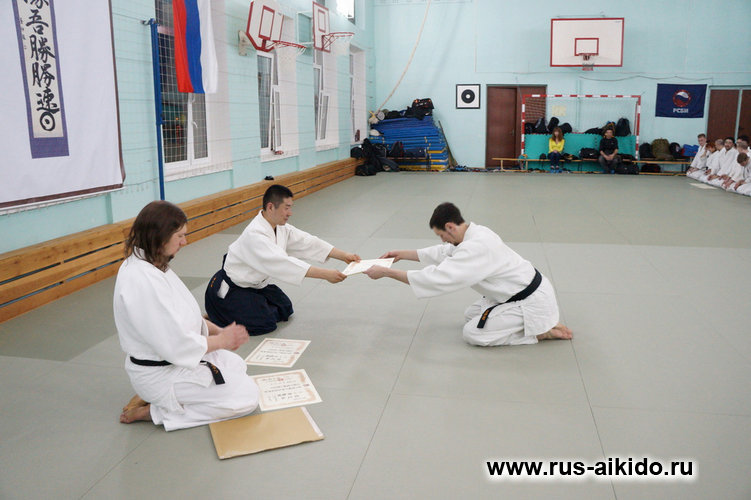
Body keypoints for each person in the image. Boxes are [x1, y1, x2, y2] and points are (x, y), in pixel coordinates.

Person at [114, 201, 259, 430]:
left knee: (236, 365)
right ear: (160, 236)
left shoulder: (154, 264)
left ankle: (164, 399)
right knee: (247, 397)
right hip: (159, 373)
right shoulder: (141, 280)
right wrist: (223, 340)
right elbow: (176, 343)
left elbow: (184, 316)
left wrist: (219, 331)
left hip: (172, 361)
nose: (185, 242)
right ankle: (156, 411)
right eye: (180, 236)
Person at [363, 203, 572, 347]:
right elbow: (444, 252)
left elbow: (438, 278)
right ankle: (532, 325)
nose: (443, 240)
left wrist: (387, 273)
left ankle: (538, 332)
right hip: (514, 293)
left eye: (441, 235)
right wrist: (401, 254)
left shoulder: (477, 246)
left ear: (450, 227)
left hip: (531, 301)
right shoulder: (473, 233)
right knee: (471, 315)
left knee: (473, 334)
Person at [205, 184, 360, 334]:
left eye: (290, 207)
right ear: (271, 207)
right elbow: (283, 263)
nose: (290, 213)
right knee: (265, 324)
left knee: (285, 308)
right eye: (286, 208)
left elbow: (308, 242)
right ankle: (217, 314)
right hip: (232, 289)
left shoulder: (279, 227)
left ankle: (245, 310)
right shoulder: (255, 235)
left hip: (256, 286)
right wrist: (325, 274)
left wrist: (343, 255)